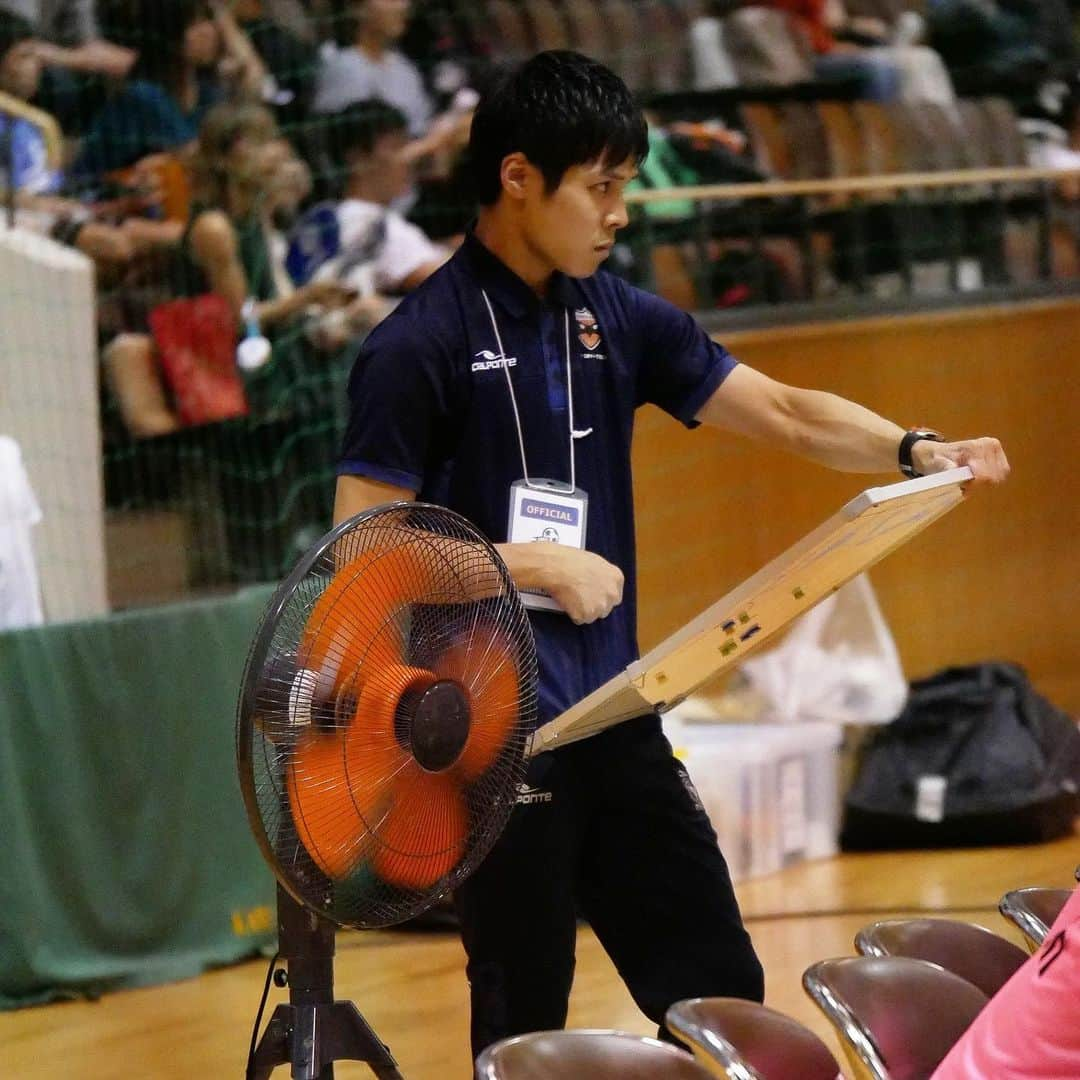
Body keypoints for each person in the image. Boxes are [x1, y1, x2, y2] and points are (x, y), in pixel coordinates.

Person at [332, 50, 1010, 1061]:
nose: (620, 213)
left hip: (620, 714)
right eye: (601, 187)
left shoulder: (617, 315)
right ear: (518, 178)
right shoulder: (414, 346)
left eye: (624, 189)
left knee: (722, 989)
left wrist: (916, 449)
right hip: (491, 744)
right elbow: (364, 559)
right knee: (521, 1029)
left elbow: (782, 409)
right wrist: (535, 566)